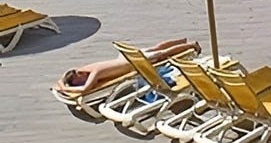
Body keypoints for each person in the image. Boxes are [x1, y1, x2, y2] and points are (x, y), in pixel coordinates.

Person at [53, 38, 200, 94]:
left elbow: (86, 89)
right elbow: (67, 77)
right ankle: (182, 41)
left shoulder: (96, 72)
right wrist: (61, 83)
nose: (79, 83)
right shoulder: (88, 68)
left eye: (77, 81)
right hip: (127, 57)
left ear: (79, 74)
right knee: (157, 48)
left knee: (162, 54)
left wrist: (64, 88)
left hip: (133, 62)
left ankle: (191, 45)